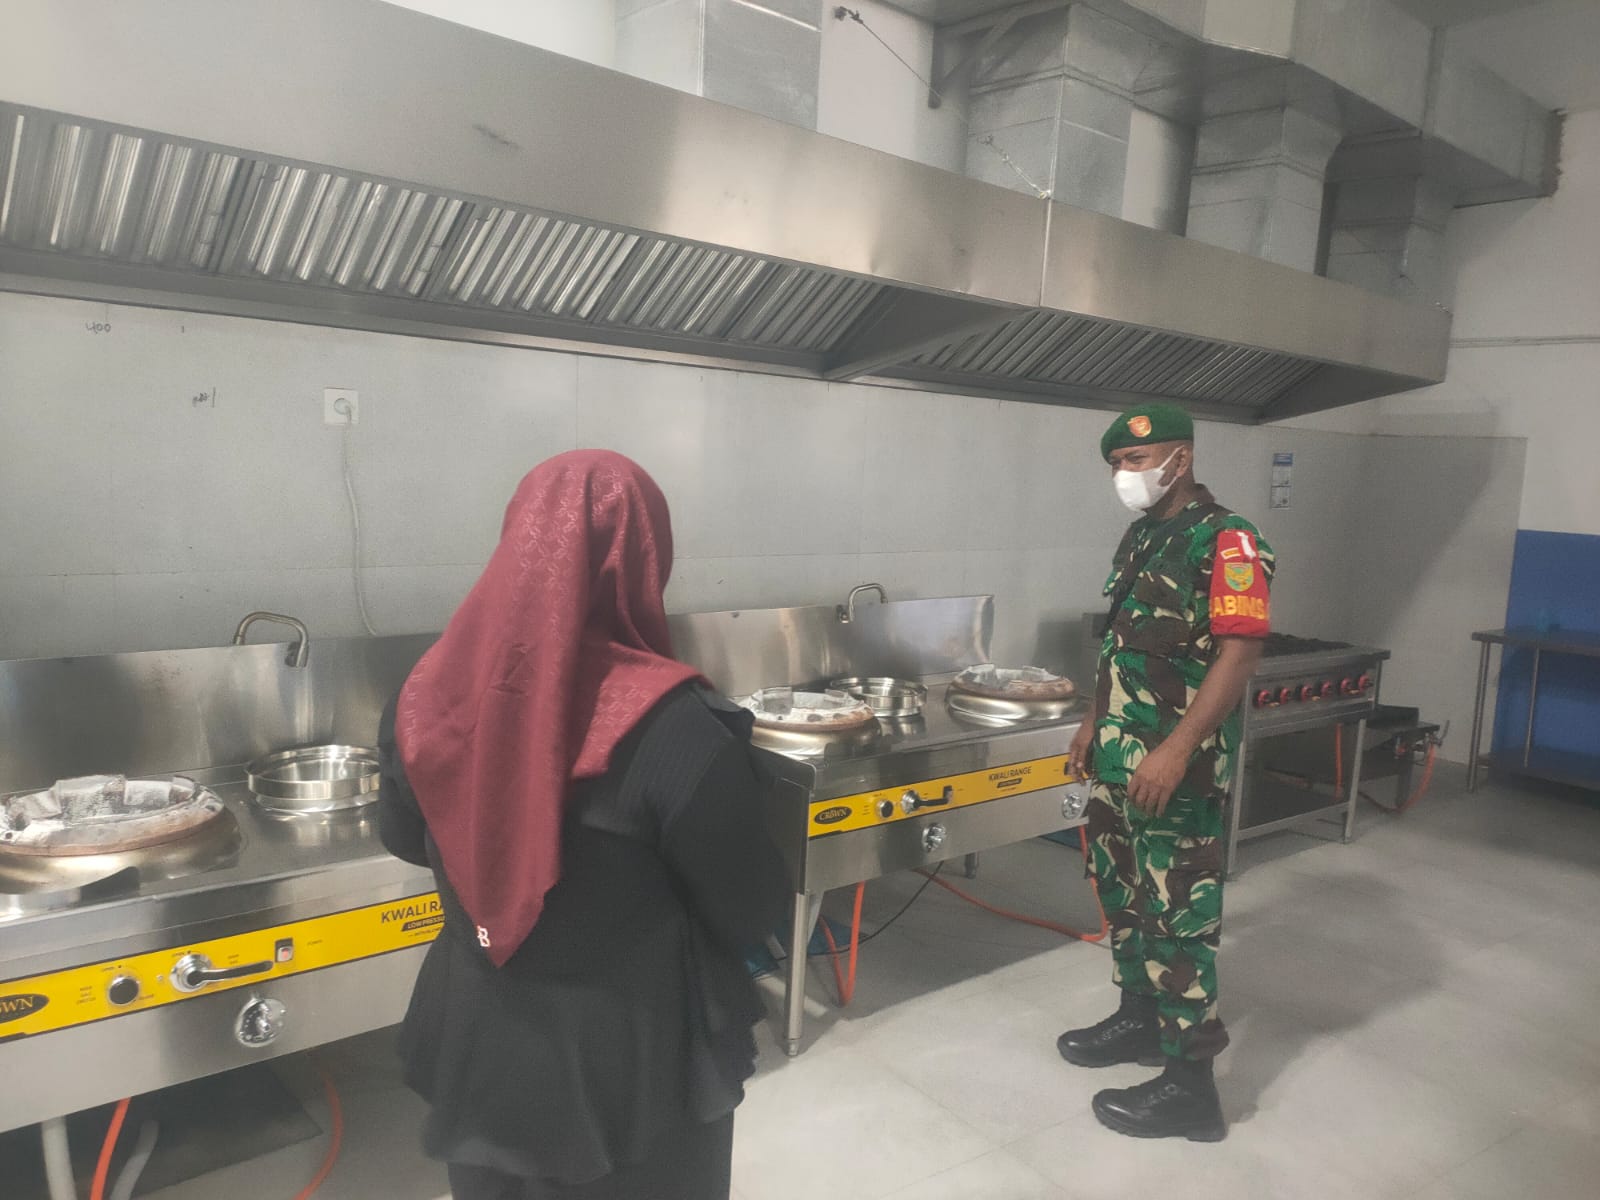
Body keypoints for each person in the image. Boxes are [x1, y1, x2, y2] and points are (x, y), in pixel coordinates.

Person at [377, 449, 787, 1200]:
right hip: (637, 1053)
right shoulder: (678, 728)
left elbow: (405, 836)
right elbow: (748, 906)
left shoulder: (429, 691)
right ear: (644, 559)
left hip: (479, 1027)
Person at [1058, 403, 1274, 1143]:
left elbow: (1239, 654)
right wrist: (1094, 720)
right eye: (1118, 464)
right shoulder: (1145, 533)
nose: (1125, 475)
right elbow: (1122, 643)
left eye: (1137, 461)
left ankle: (1191, 1089)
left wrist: (1178, 748)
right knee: (1123, 893)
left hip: (1176, 768)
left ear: (1181, 459)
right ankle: (1140, 1020)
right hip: (1121, 757)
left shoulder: (1230, 540)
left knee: (1180, 914)